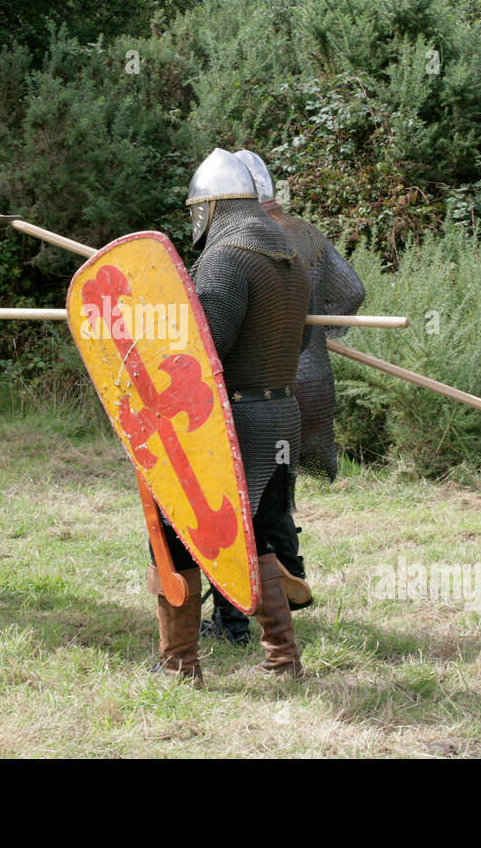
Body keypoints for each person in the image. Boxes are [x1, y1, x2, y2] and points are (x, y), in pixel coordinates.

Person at [147, 148, 311, 681]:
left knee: (180, 533)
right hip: (281, 418)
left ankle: (179, 664)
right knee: (259, 538)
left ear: (211, 206)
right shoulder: (289, 255)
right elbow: (304, 337)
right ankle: (283, 659)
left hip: (232, 425)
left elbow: (203, 351)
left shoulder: (225, 258)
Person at [198, 149, 367, 645]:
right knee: (268, 513)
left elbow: (210, 343)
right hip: (287, 398)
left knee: (232, 522)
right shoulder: (292, 245)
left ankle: (231, 626)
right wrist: (314, 332)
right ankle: (283, 618)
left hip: (247, 404)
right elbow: (338, 302)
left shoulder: (230, 253)